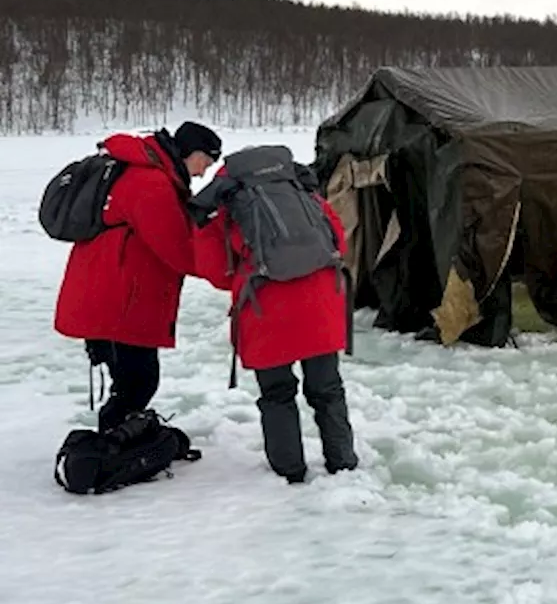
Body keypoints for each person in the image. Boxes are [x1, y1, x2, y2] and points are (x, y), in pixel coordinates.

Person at [192, 153, 358, 484]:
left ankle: (290, 472)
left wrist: (247, 274)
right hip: (321, 302)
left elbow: (213, 268)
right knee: (327, 389)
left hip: (265, 307)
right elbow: (337, 239)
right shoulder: (302, 193)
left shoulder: (226, 202)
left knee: (277, 394)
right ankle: (343, 464)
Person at [54, 121, 222, 431]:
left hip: (111, 294)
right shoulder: (150, 183)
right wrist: (230, 271)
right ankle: (110, 452)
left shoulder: (151, 175)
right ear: (193, 152)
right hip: (120, 300)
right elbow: (179, 249)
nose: (202, 173)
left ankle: (118, 444)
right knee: (139, 381)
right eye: (205, 163)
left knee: (131, 381)